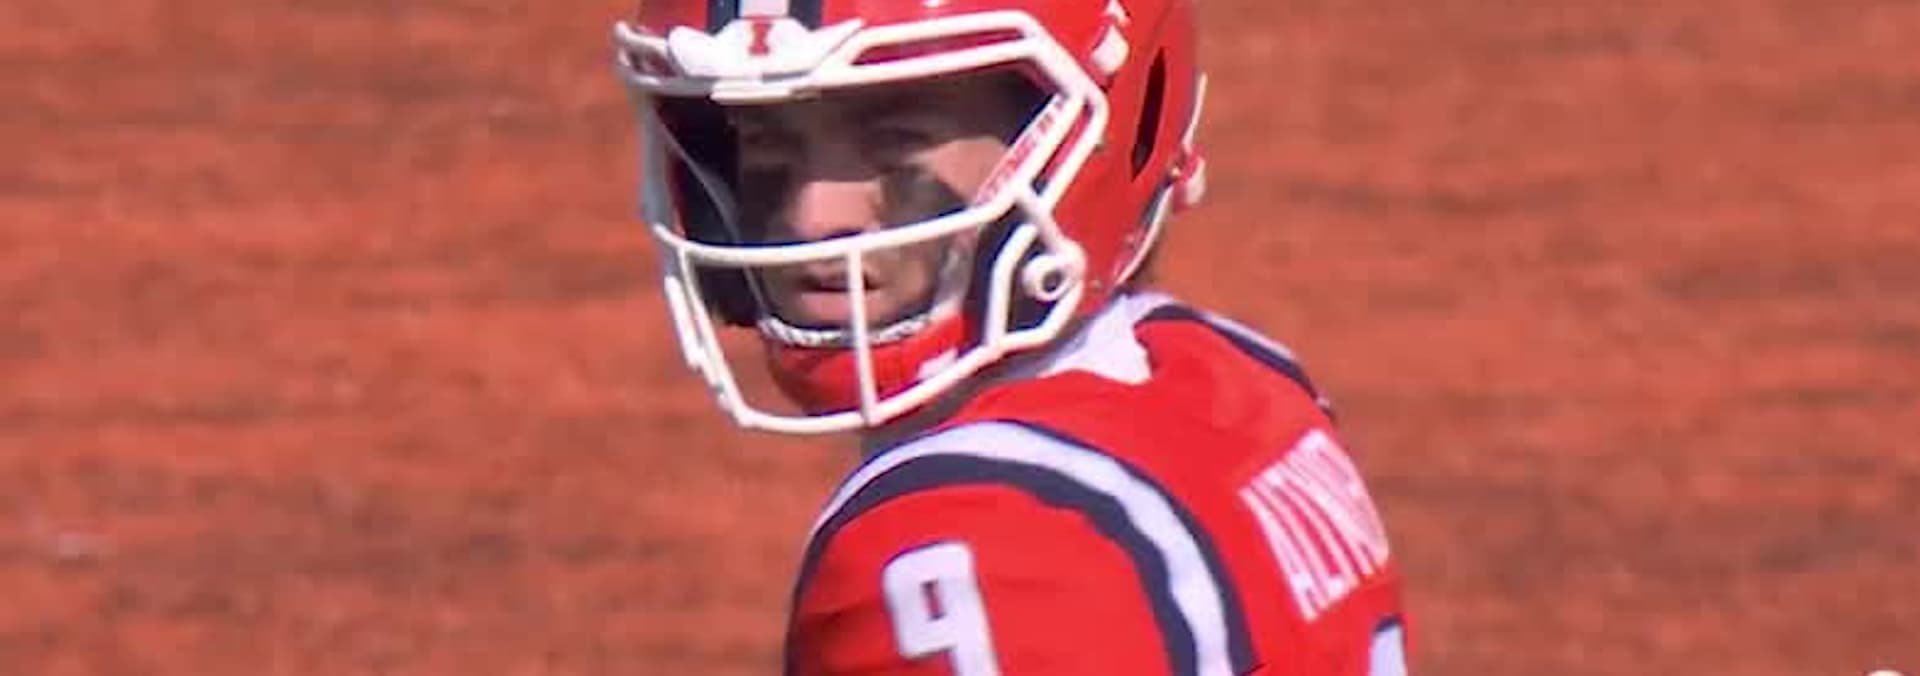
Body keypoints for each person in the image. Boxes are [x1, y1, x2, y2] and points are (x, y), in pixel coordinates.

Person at [613, 1, 1410, 673]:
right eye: (765, 139)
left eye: (896, 139)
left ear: (1090, 130)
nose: (812, 217)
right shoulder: (1233, 383)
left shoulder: (967, 540)